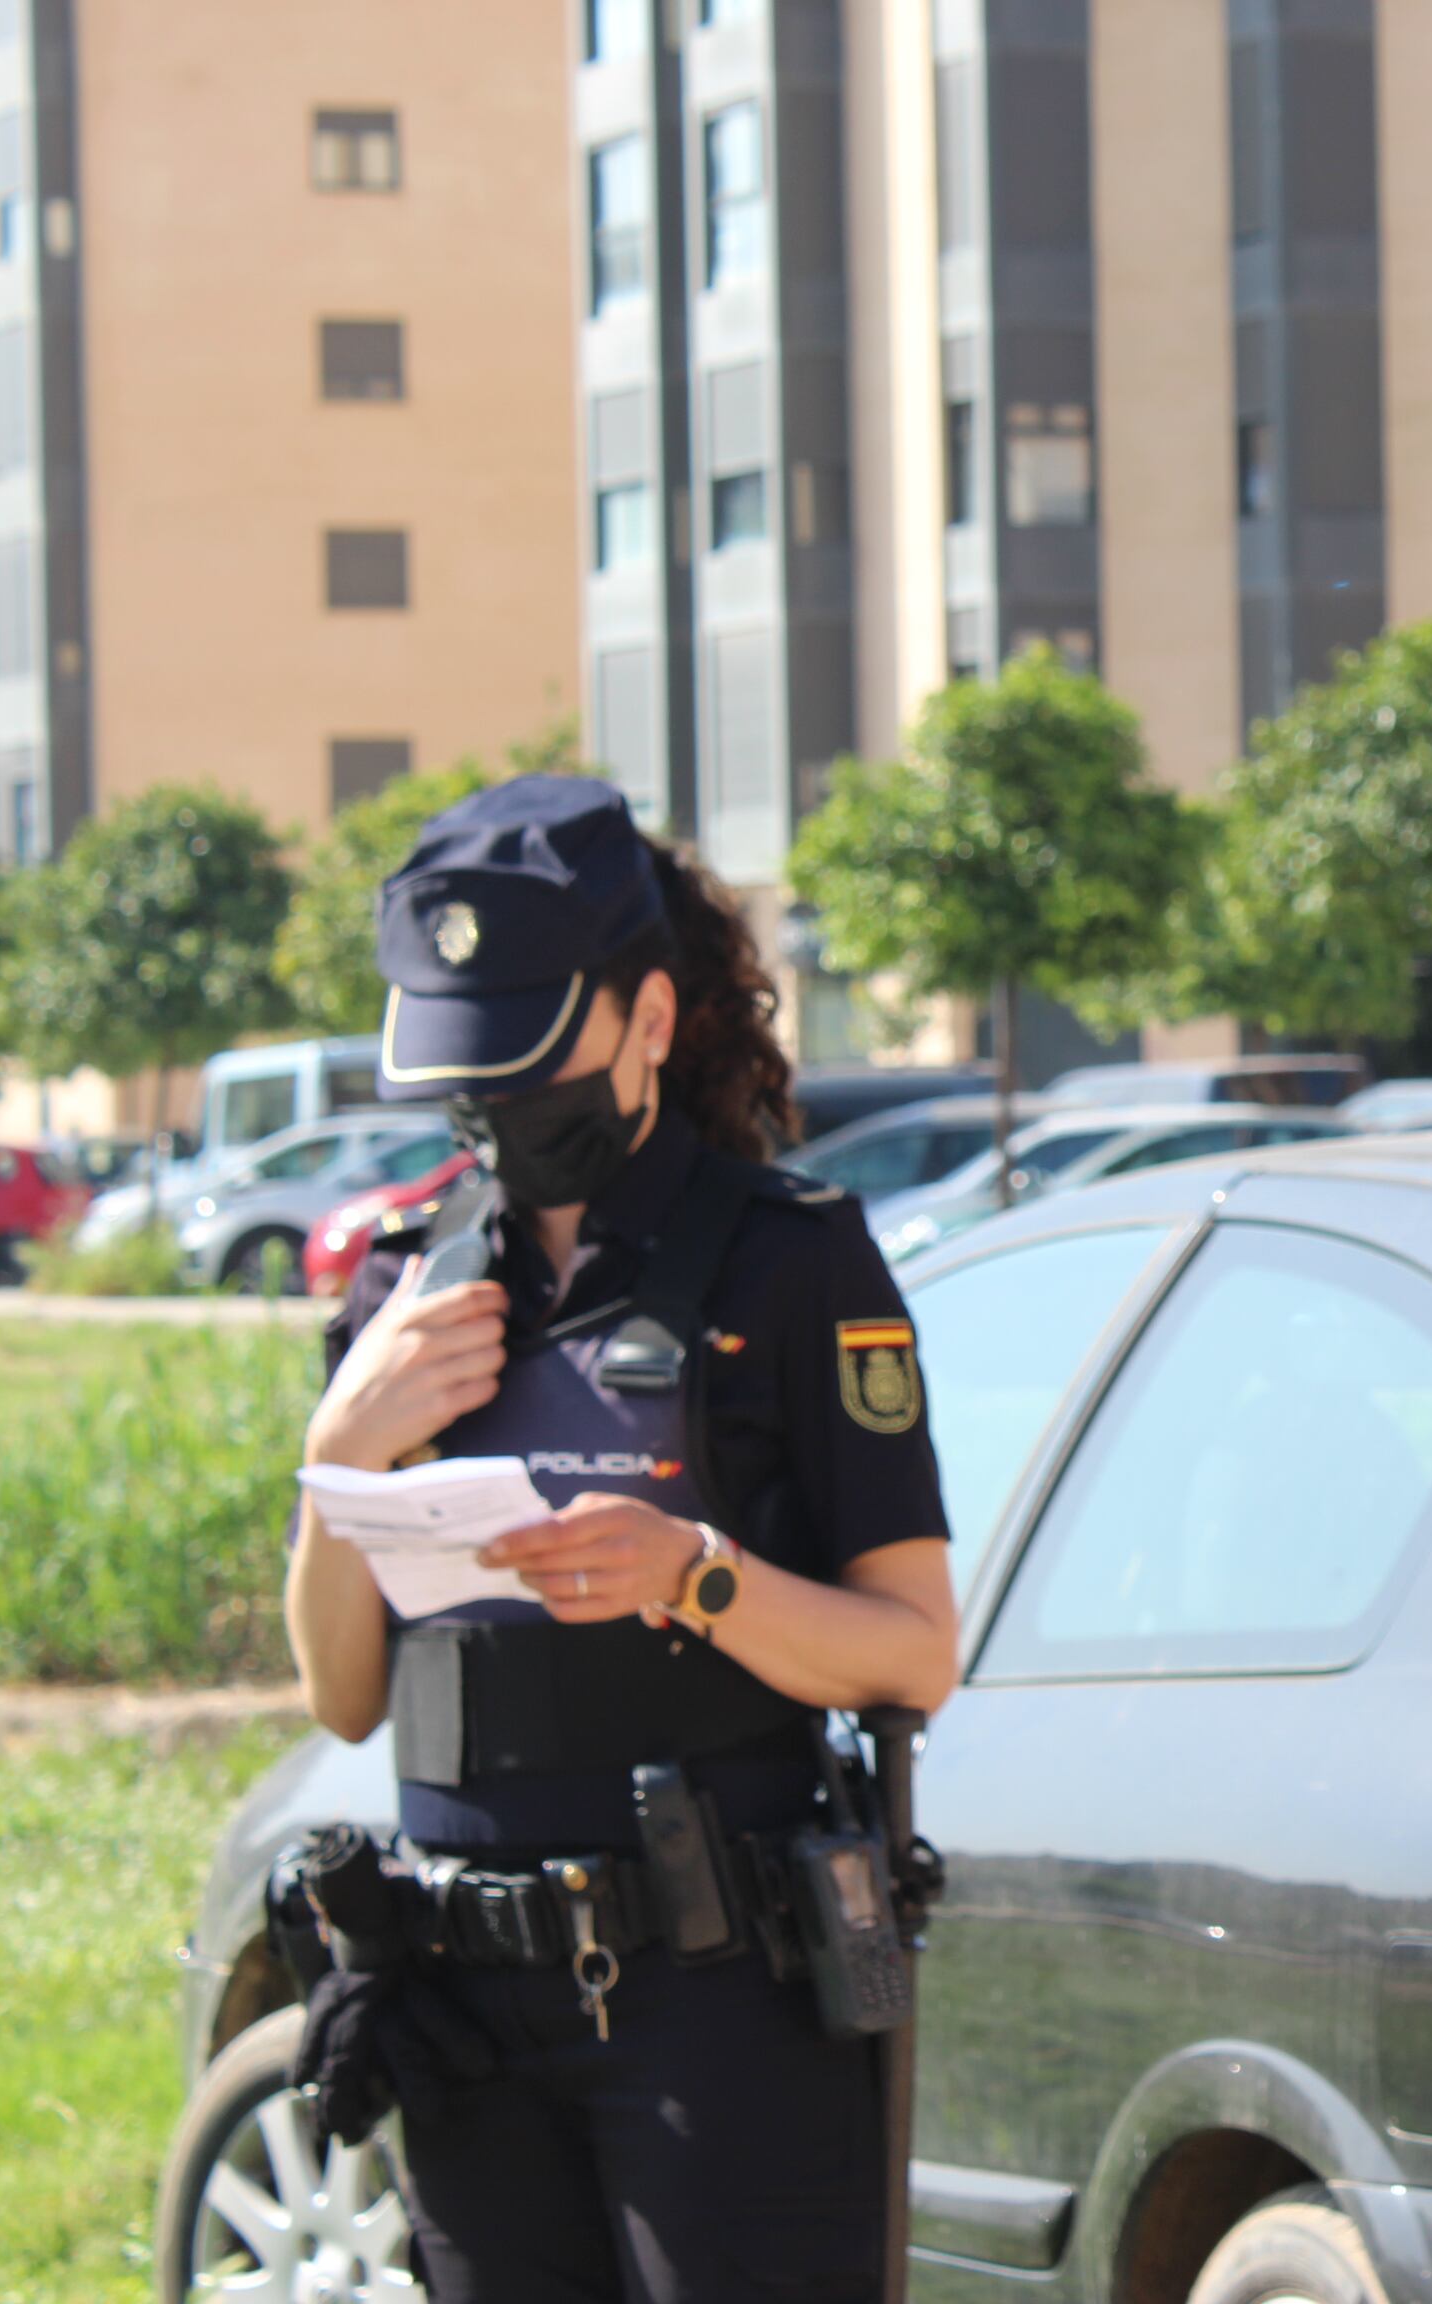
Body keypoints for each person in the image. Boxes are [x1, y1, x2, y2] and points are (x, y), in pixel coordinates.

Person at [282, 775, 959, 2304]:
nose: (505, 1113)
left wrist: (691, 1574)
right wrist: (343, 1447)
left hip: (710, 2004)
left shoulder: (792, 1264)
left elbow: (918, 1652)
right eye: (472, 1077)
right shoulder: (402, 1285)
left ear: (650, 1017)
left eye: (537, 1061)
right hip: (463, 2006)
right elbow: (341, 1695)